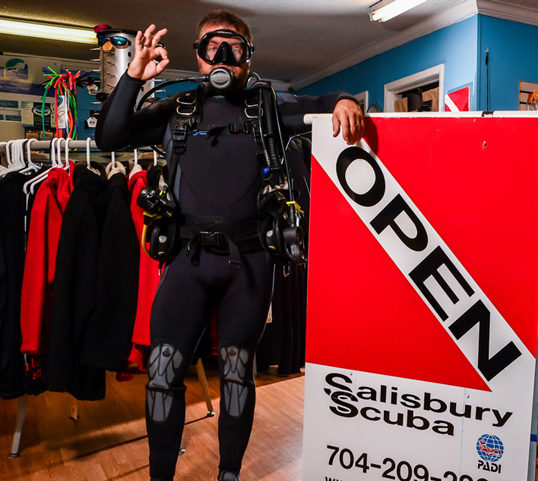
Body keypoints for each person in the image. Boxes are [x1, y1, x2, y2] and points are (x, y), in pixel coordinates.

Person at [96, 11, 364, 481]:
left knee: (239, 373)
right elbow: (109, 135)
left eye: (234, 47)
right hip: (187, 261)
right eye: (211, 47)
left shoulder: (269, 111)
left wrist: (343, 99)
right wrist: (134, 76)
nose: (222, 57)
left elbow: (320, 100)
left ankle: (230, 474)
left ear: (247, 56)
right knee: (162, 373)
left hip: (250, 265)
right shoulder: (174, 112)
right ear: (197, 56)